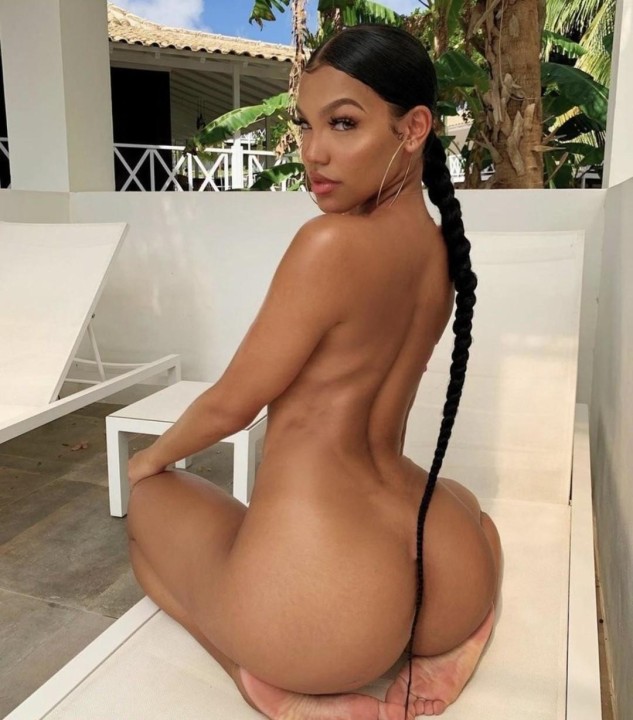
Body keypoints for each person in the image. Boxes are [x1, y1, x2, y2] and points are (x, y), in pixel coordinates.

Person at [127, 23, 502, 720]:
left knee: (145, 511)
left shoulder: (328, 243)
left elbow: (232, 404)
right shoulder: (441, 252)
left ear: (414, 128)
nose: (313, 151)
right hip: (447, 563)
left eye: (343, 123)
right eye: (305, 124)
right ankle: (448, 648)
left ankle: (269, 685)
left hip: (333, 604)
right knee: (466, 503)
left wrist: (149, 459)